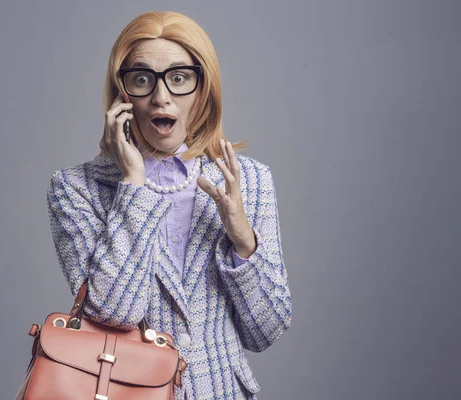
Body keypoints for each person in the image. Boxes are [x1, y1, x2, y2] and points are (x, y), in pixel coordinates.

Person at [46, 11, 291, 400]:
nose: (161, 96)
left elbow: (267, 331)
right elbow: (114, 312)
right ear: (122, 94)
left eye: (179, 78)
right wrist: (133, 184)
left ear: (202, 88)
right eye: (142, 80)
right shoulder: (76, 189)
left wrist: (243, 239)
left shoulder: (250, 180)